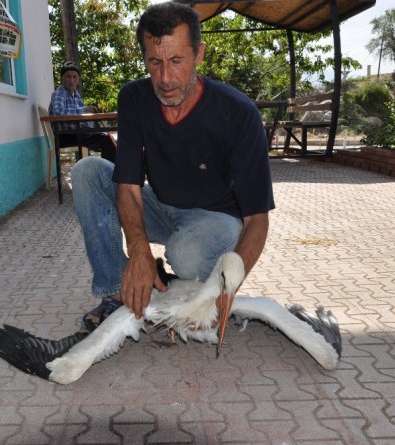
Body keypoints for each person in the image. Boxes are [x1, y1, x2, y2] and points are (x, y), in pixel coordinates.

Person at [71, 1, 274, 332]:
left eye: (177, 61)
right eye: (155, 62)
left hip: (216, 219)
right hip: (161, 205)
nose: (165, 78)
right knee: (87, 172)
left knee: (186, 254)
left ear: (199, 54)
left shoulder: (238, 113)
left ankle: (177, 282)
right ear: (144, 59)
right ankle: (115, 293)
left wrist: (229, 284)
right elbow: (129, 187)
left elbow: (257, 219)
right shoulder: (133, 99)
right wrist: (139, 251)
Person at [49, 62, 117, 163]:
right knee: (107, 140)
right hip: (65, 136)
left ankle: (108, 171)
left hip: (77, 134)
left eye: (74, 77)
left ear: (78, 79)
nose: (72, 80)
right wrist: (85, 109)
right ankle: (109, 174)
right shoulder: (59, 93)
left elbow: (82, 118)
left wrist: (92, 128)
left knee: (109, 139)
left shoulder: (76, 95)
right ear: (62, 78)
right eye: (68, 77)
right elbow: (59, 112)